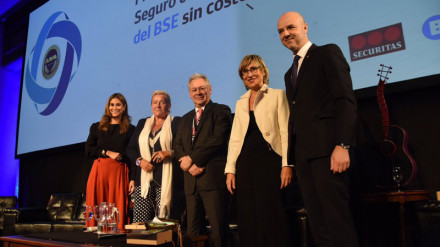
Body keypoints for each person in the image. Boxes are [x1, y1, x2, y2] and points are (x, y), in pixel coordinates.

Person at [277, 12, 359, 247]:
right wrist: (291, 161)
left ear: (304, 27)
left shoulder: (326, 52)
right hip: (304, 158)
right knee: (318, 224)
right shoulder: (288, 73)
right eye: (281, 31)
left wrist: (342, 145)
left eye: (290, 27)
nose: (286, 34)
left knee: (337, 221)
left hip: (329, 153)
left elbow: (345, 99)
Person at [225, 55, 292, 247]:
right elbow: (235, 139)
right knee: (248, 216)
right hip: (245, 165)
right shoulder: (240, 102)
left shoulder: (278, 95)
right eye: (245, 71)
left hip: (269, 161)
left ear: (263, 71)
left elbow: (285, 132)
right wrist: (230, 169)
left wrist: (287, 164)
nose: (250, 74)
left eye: (254, 69)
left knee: (270, 213)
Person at [174, 73, 232, 247]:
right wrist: (188, 165)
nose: (198, 92)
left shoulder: (221, 111)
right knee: (192, 233)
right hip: (191, 182)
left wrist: (192, 159)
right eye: (194, 90)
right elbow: (178, 146)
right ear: (190, 94)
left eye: (201, 88)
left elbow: (217, 140)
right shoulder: (184, 119)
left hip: (212, 180)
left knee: (218, 231)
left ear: (210, 90)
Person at [126, 90, 184, 223]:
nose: (158, 105)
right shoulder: (142, 123)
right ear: (151, 105)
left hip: (167, 180)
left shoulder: (177, 123)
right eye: (154, 102)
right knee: (140, 223)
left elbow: (183, 147)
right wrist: (139, 162)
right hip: (144, 181)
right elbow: (130, 149)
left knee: (164, 223)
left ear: (169, 106)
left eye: (162, 102)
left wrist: (168, 153)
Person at [85, 93, 135, 230]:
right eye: (112, 104)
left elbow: (133, 156)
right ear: (108, 107)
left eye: (118, 104)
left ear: (124, 107)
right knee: (97, 208)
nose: (114, 107)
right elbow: (88, 150)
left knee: (116, 209)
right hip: (99, 173)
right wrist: (107, 152)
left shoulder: (131, 130)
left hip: (118, 174)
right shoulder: (97, 127)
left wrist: (132, 179)